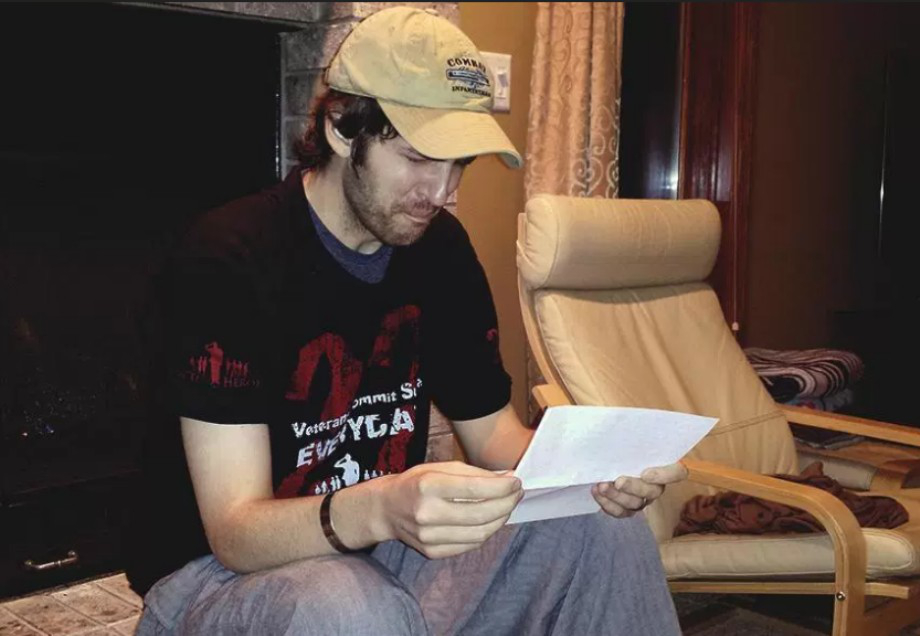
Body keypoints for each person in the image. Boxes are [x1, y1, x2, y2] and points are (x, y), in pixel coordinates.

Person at [128, 6, 686, 635]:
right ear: (342, 128)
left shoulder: (440, 251)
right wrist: (384, 510)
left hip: (378, 551)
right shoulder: (228, 258)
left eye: (460, 165)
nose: (445, 192)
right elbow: (235, 531)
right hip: (217, 579)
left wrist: (588, 478)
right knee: (352, 608)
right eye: (421, 157)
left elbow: (495, 438)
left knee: (602, 531)